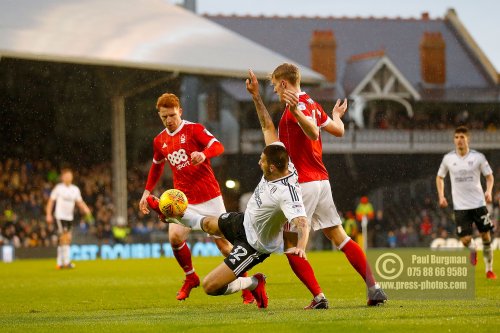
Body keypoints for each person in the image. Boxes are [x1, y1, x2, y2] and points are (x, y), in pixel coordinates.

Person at [246, 65, 387, 307]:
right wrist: (337, 116)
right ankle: (374, 289)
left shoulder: (298, 107)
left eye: (274, 87)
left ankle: (319, 297)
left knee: (291, 245)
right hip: (321, 181)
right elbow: (338, 130)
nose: (275, 92)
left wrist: (295, 112)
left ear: (283, 84)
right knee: (340, 237)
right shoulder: (312, 103)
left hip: (302, 185)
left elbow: (311, 133)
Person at [162, 139, 310, 309]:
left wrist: (301, 246)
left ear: (272, 167)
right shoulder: (280, 161)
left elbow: (302, 222)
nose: (258, 161)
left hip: (254, 244)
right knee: (209, 223)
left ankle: (253, 283)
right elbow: (268, 128)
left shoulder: (288, 193)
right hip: (243, 221)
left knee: (210, 286)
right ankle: (172, 217)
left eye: (262, 160)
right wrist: (260, 110)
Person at [139, 93, 254, 303]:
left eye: (172, 115)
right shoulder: (160, 140)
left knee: (225, 247)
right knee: (174, 237)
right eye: (164, 117)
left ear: (180, 111)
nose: (169, 120)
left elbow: (218, 146)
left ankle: (247, 285)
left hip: (209, 196)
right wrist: (147, 192)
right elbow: (156, 167)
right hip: (183, 200)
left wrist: (204, 155)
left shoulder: (194, 129)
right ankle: (191, 277)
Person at [436, 126, 496, 279]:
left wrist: (488, 191)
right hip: (460, 207)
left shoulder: (478, 157)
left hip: (479, 204)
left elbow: (489, 177)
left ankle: (489, 270)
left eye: (462, 137)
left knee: (486, 237)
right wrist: (441, 196)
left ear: (468, 139)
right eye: (456, 137)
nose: (459, 140)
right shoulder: (448, 159)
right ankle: (473, 248)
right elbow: (439, 177)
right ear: (454, 140)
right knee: (465, 240)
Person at [46, 168, 93, 269]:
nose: (68, 177)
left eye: (70, 175)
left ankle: (63, 262)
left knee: (67, 239)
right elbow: (51, 201)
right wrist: (48, 214)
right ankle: (63, 262)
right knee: (64, 237)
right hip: (60, 216)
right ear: (62, 177)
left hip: (69, 217)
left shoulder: (75, 189)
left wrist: (87, 210)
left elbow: (79, 202)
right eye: (66, 176)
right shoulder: (58, 188)